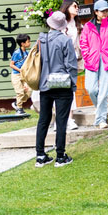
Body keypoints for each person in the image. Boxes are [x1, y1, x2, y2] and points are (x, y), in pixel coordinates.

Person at [34, 11, 78, 168]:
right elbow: (71, 65)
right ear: (62, 26)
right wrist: (73, 84)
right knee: (61, 121)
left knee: (44, 120)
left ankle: (40, 155)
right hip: (62, 85)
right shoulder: (65, 41)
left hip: (45, 84)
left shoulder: (41, 39)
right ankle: (60, 156)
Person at [79, 0, 108, 129]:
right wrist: (87, 56)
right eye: (102, 11)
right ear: (96, 12)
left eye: (106, 10)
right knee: (91, 88)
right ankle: (100, 110)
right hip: (92, 60)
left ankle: (101, 119)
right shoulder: (87, 26)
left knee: (104, 91)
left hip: (107, 60)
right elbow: (83, 43)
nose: (105, 13)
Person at [57, 0, 82, 130]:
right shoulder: (60, 23)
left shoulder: (77, 24)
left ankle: (70, 119)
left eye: (78, 7)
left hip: (72, 60)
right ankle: (59, 119)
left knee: (70, 89)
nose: (77, 8)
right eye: (74, 6)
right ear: (67, 8)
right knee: (59, 88)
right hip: (60, 61)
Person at [9, 33, 31, 113]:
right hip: (16, 75)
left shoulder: (27, 53)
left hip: (24, 75)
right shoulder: (17, 53)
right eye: (28, 42)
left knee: (28, 92)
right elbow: (11, 65)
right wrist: (20, 70)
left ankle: (16, 103)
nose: (29, 43)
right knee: (20, 92)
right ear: (22, 43)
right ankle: (19, 108)